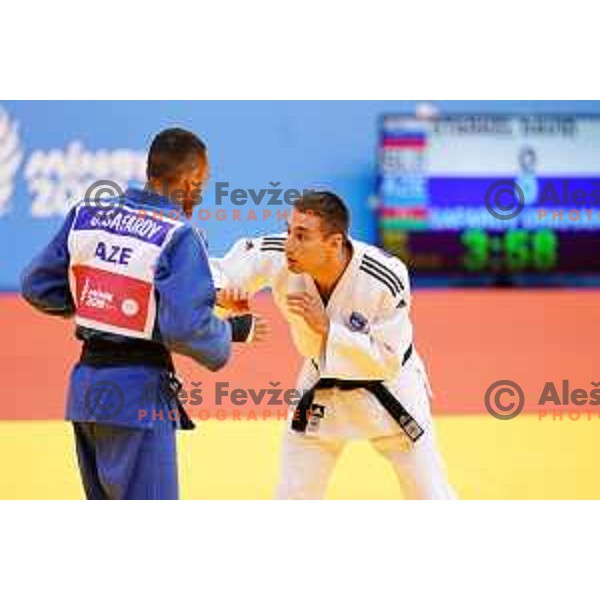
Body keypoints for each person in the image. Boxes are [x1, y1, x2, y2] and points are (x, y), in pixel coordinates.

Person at [21, 127, 264, 500]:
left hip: (85, 395)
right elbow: (185, 327)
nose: (201, 193)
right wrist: (228, 332)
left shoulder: (88, 213)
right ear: (190, 180)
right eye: (203, 183)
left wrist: (97, 304)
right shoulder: (179, 234)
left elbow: (37, 286)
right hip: (138, 399)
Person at [212, 191, 455, 499]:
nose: (289, 244)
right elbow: (219, 271)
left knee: (430, 495)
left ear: (335, 243)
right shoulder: (279, 254)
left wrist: (329, 330)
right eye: (289, 231)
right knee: (292, 497)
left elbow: (387, 358)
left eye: (302, 236)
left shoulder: (385, 277)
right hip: (320, 386)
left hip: (390, 392)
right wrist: (221, 293)